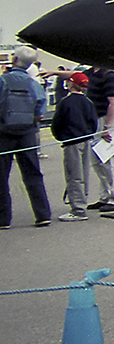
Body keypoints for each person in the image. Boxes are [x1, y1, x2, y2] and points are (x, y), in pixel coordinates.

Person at [1, 46, 52, 229]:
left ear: (14, 60)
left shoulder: (3, 81)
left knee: (1, 176)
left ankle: (3, 219)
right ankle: (42, 214)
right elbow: (40, 112)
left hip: (4, 132)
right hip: (27, 132)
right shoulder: (33, 84)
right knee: (33, 174)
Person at [50, 71, 96, 221]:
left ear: (71, 84)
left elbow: (57, 123)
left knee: (73, 174)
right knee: (84, 173)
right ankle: (83, 199)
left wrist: (60, 137)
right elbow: (93, 123)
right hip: (85, 139)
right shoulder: (88, 102)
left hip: (71, 141)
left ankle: (77, 209)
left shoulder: (66, 102)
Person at [84, 64, 114, 211]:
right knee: (97, 161)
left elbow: (113, 102)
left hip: (106, 120)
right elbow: (73, 75)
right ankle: (105, 195)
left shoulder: (110, 75)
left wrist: (107, 126)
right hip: (94, 120)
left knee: (110, 161)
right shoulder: (90, 73)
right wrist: (53, 72)